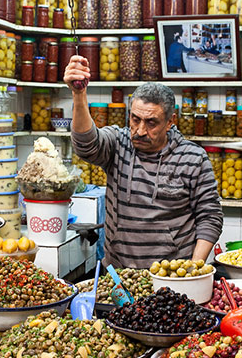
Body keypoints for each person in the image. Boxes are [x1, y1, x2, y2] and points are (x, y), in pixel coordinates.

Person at [64, 56, 223, 269]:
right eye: (135, 119)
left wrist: (193, 269)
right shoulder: (118, 143)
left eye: (151, 123)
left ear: (170, 122)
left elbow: (210, 216)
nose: (140, 131)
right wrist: (78, 94)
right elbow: (86, 144)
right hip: (119, 273)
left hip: (172, 277)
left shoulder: (193, 158)